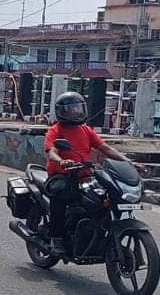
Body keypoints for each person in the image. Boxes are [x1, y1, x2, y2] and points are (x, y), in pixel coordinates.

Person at [44, 91, 131, 252]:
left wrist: (127, 161)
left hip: (85, 176)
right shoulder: (56, 130)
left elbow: (105, 148)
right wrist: (62, 161)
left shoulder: (86, 130)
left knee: (104, 197)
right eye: (72, 109)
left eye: (78, 108)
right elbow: (52, 151)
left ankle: (96, 232)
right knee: (60, 196)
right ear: (62, 111)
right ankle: (56, 237)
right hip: (61, 176)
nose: (76, 112)